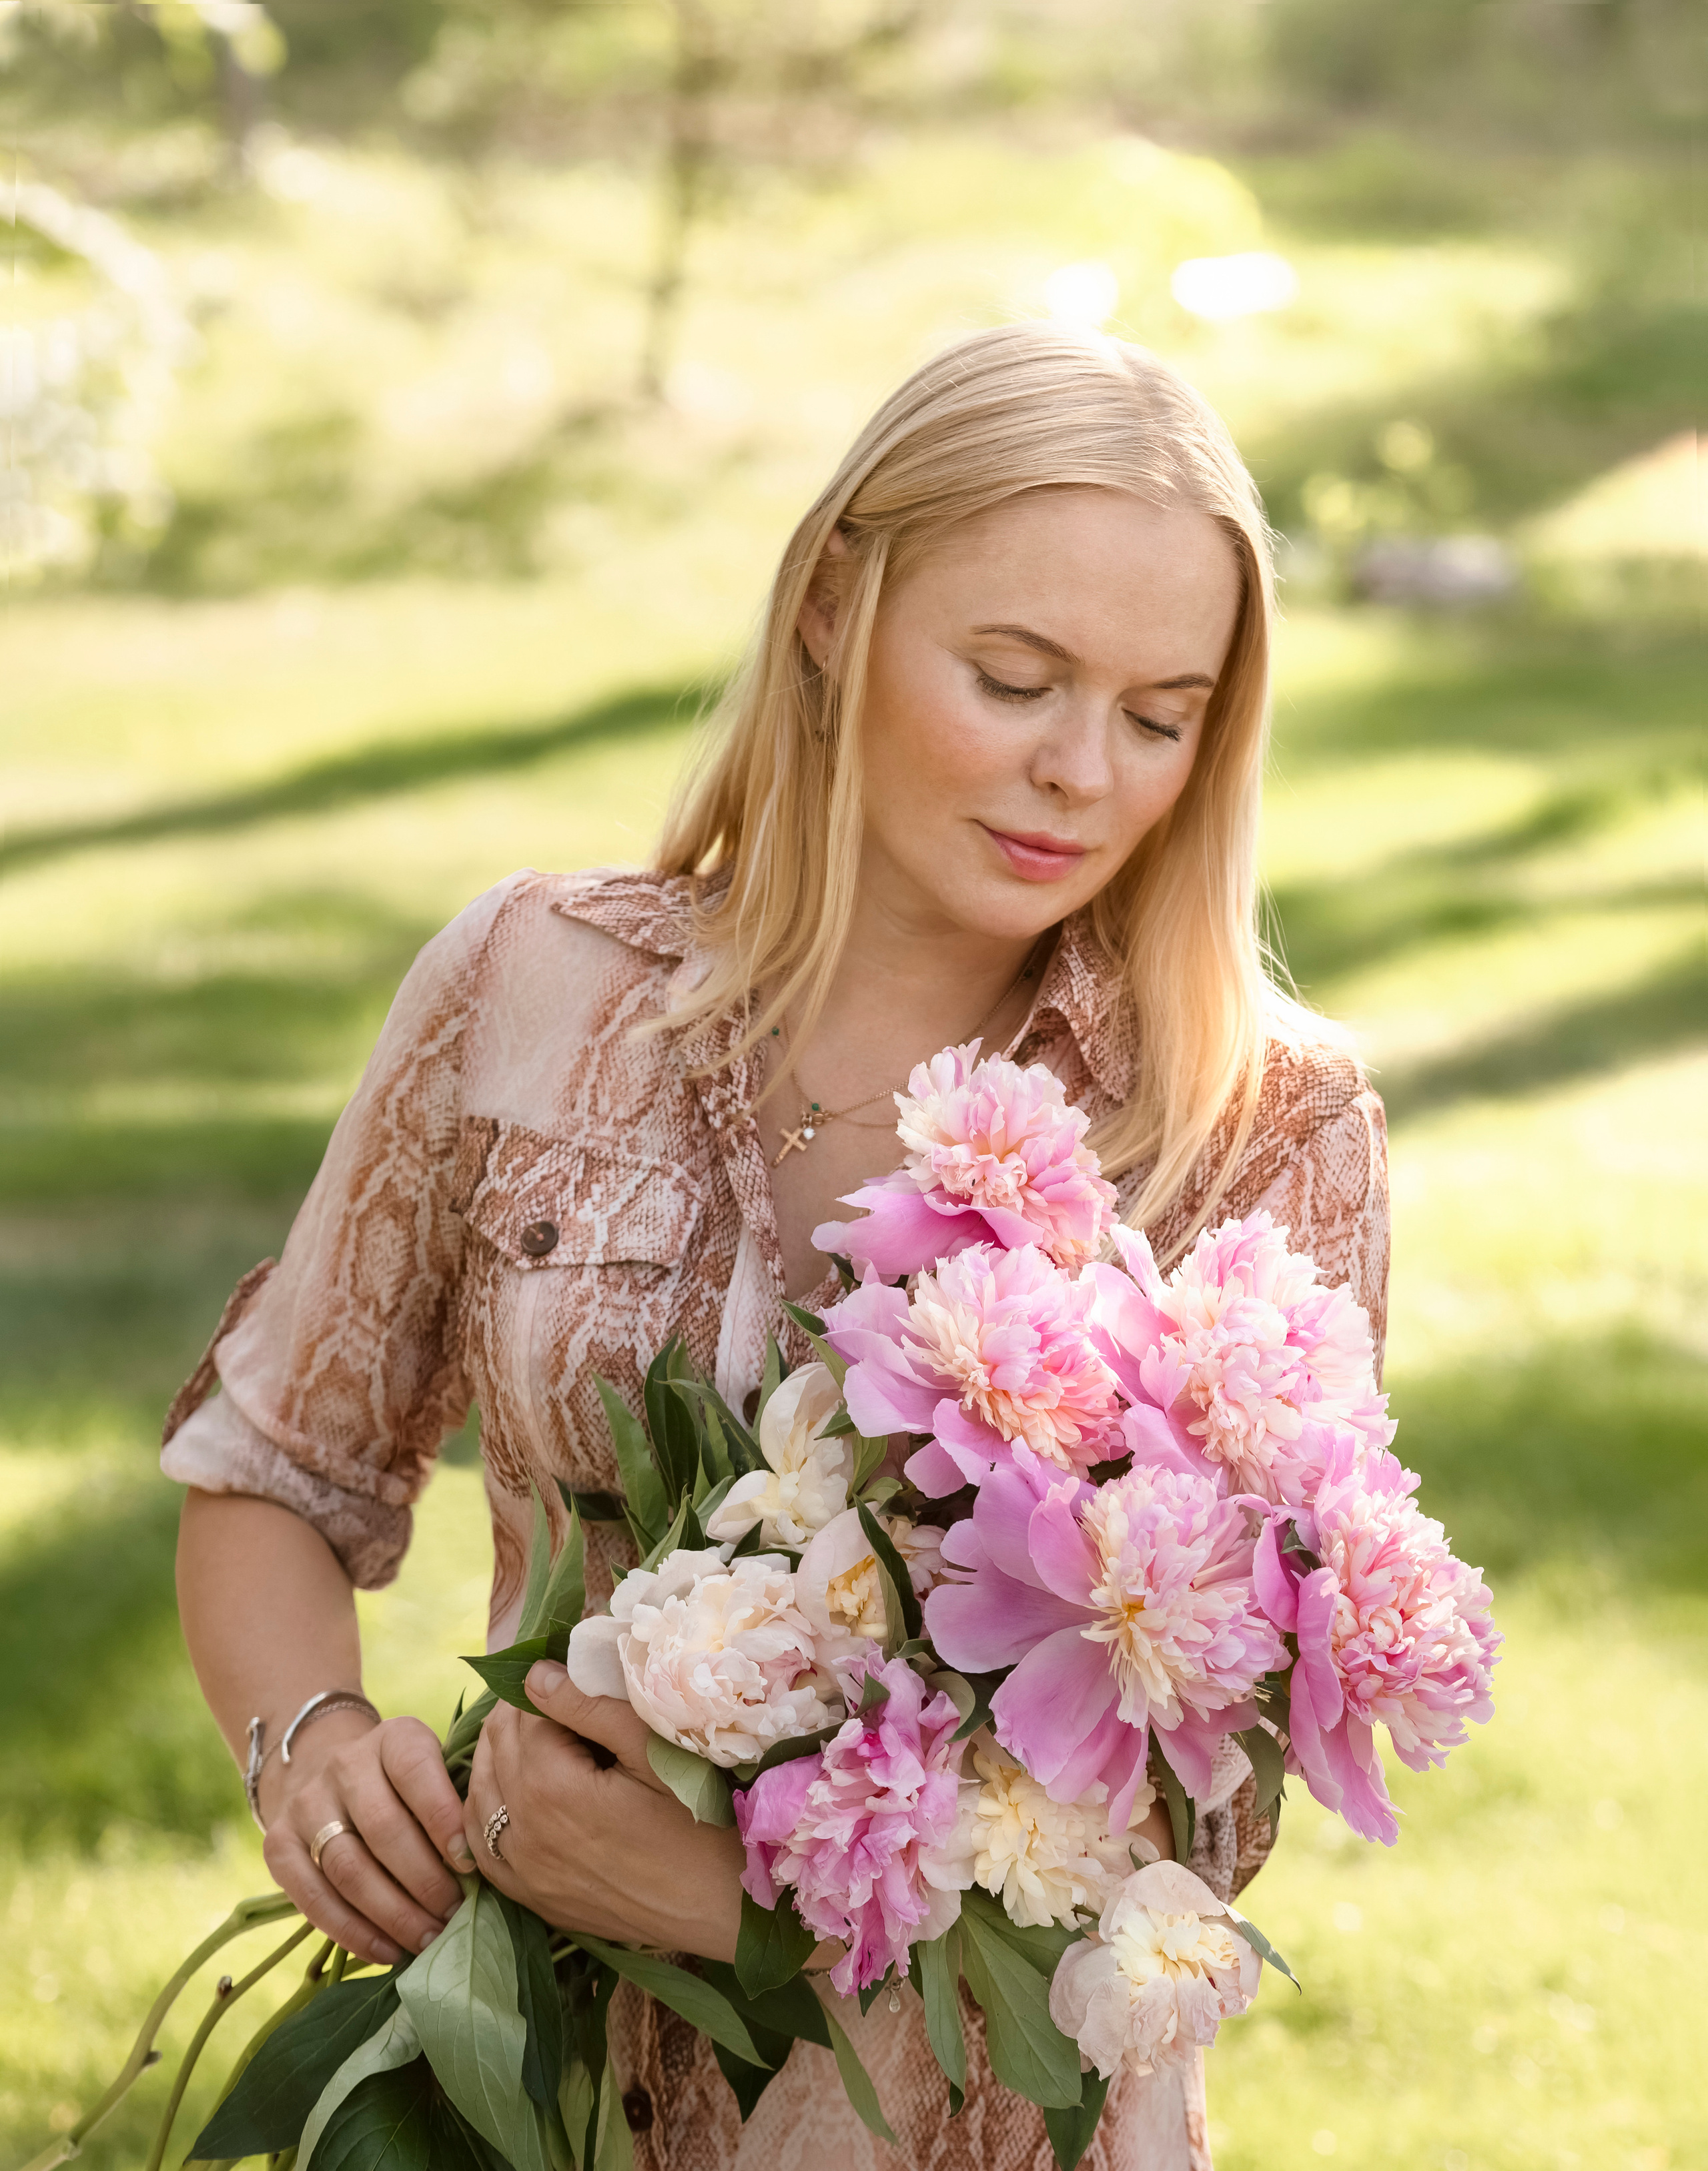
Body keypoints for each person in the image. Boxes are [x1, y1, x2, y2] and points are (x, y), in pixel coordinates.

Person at [165, 322, 1389, 2171]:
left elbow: (1209, 1819)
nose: (1082, 771)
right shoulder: (530, 989)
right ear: (833, 602)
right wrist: (313, 1749)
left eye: (1161, 715)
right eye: (1014, 676)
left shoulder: (1263, 1124)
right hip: (524, 2099)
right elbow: (276, 1462)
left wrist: (765, 1914)